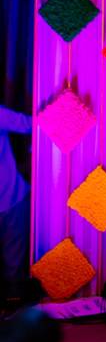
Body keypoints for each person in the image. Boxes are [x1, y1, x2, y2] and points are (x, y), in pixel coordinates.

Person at [0, 104, 31, 311]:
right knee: (13, 269)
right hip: (11, 198)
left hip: (11, 198)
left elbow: (31, 125)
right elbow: (30, 125)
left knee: (14, 272)